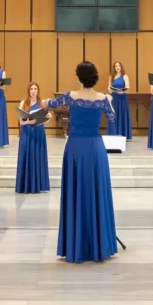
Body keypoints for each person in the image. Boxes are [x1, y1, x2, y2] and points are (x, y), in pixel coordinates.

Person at [46, 62, 117, 263]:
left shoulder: (70, 96)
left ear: (78, 77)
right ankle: (99, 244)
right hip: (95, 148)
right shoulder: (102, 98)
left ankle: (75, 244)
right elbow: (112, 117)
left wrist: (44, 101)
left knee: (75, 191)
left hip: (75, 147)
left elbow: (51, 104)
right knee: (96, 191)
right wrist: (109, 99)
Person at [16, 82, 51, 194]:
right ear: (28, 90)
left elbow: (46, 120)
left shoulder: (42, 103)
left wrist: (48, 117)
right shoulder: (23, 103)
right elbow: (21, 122)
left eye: (35, 89)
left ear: (38, 90)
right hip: (27, 133)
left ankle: (39, 185)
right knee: (27, 156)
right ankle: (26, 185)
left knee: (38, 157)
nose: (33, 91)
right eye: (31, 89)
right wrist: (29, 121)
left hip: (39, 133)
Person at [107, 61, 132, 139]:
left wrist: (122, 91)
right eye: (116, 66)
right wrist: (112, 90)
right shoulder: (111, 76)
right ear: (114, 68)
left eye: (119, 66)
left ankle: (123, 134)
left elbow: (128, 88)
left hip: (122, 98)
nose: (117, 67)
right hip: (114, 98)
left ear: (121, 67)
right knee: (114, 115)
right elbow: (109, 88)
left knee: (122, 115)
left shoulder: (125, 76)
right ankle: (114, 133)